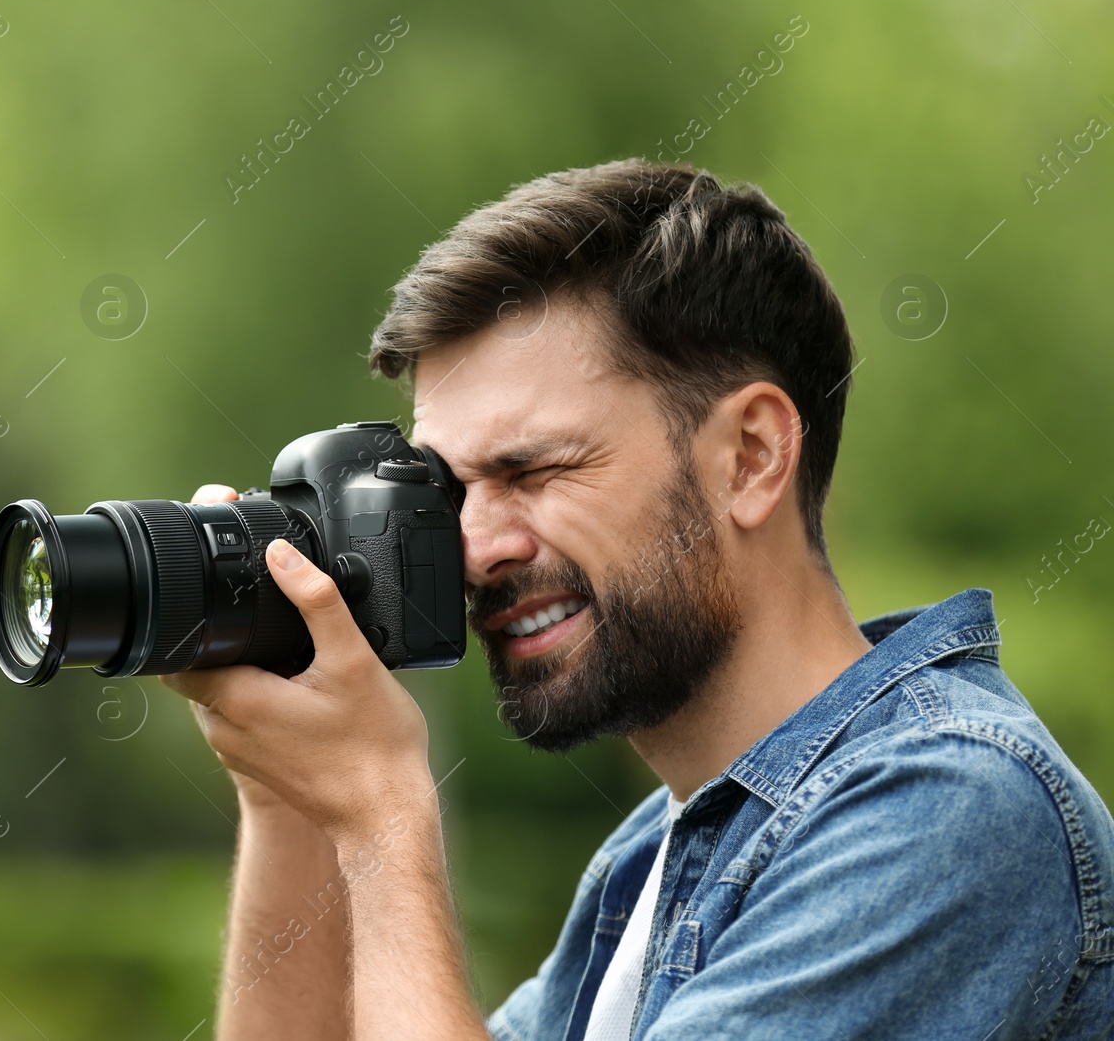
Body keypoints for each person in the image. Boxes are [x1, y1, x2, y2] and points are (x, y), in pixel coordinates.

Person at [161, 159, 1114, 1040]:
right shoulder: (656, 854)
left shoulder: (947, 812)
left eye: (533, 470)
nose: (476, 548)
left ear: (750, 456)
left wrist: (380, 806)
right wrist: (290, 792)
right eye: (447, 490)